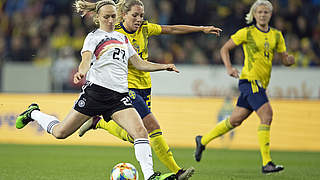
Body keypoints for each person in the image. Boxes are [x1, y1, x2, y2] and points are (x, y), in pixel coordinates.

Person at [15, 1, 180, 180]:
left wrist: (163, 66)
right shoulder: (93, 37)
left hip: (119, 97)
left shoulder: (123, 38)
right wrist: (81, 72)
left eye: (113, 16)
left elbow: (139, 63)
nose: (110, 20)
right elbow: (85, 60)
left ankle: (150, 176)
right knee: (60, 132)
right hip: (96, 94)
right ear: (98, 18)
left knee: (140, 132)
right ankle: (34, 113)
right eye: (106, 17)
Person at [78, 0, 222, 179]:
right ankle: (177, 172)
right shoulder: (115, 33)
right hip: (125, 86)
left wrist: (201, 29)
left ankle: (99, 122)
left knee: (137, 136)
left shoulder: (145, 28)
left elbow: (171, 29)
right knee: (152, 126)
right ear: (124, 15)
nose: (139, 19)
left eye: (141, 15)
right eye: (135, 15)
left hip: (145, 85)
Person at [194, 0, 295, 174]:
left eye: (266, 12)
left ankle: (202, 140)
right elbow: (224, 49)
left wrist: (289, 60)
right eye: (260, 12)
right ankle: (267, 163)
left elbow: (284, 58)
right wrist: (229, 67)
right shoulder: (247, 33)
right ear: (254, 14)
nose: (263, 15)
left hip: (261, 83)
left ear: (271, 14)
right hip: (250, 81)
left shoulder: (277, 36)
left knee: (235, 120)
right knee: (267, 114)